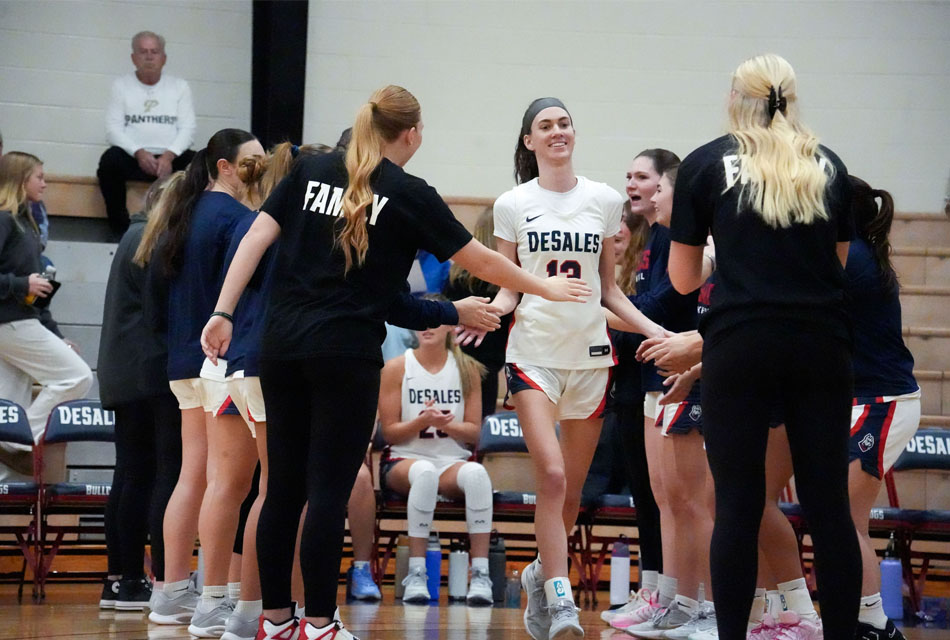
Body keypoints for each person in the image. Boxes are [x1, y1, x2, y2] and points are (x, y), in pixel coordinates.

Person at [201, 85, 590, 640]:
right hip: (345, 356)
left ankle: (277, 620)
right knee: (328, 491)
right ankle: (318, 623)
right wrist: (541, 287)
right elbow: (477, 258)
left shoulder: (310, 169)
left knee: (283, 488)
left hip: (280, 349)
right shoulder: (408, 193)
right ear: (411, 133)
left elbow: (256, 237)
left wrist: (222, 311)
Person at [667, 53, 860, 640]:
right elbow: (838, 266)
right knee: (829, 508)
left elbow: (681, 280)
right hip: (821, 346)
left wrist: (735, 255)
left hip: (740, 345)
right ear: (791, 98)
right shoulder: (830, 166)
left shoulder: (703, 165)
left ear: (736, 97)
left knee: (738, 505)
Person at [483, 97, 664, 640]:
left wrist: (658, 333)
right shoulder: (512, 204)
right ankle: (562, 602)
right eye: (545, 125)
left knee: (573, 491)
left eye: (564, 123)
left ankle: (542, 569)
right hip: (533, 355)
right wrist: (481, 311)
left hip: (591, 359)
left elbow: (610, 291)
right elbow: (508, 287)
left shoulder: (605, 201)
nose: (557, 131)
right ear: (529, 141)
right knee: (554, 476)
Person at [145, 130, 265, 637]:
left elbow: (155, 299)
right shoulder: (241, 221)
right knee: (230, 482)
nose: (261, 170)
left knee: (193, 475)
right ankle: (227, 596)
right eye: (253, 162)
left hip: (181, 359)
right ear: (225, 166)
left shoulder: (179, 214)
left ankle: (172, 592)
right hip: (219, 360)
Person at [98, 175, 183, 611]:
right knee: (151, 477)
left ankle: (120, 580)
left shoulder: (134, 232)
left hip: (121, 369)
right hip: (145, 371)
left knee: (129, 476)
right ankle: (146, 580)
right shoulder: (153, 238)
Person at [378, 306, 495, 605]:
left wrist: (447, 424)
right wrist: (421, 421)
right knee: (425, 473)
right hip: (403, 460)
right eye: (421, 321)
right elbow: (389, 433)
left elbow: (473, 433)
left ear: (450, 328)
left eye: (435, 322)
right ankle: (417, 574)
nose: (427, 327)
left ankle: (481, 575)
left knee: (478, 475)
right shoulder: (396, 368)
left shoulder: (468, 369)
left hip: (451, 462)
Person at [0, 151, 93, 482]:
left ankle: (9, 443)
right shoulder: (4, 220)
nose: (45, 182)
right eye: (39, 176)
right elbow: (25, 288)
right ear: (20, 179)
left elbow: (41, 298)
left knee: (7, 406)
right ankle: (16, 441)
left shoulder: (27, 223)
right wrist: (20, 283)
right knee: (77, 377)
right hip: (10, 323)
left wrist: (56, 336)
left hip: (20, 321)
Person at [97, 30, 196, 238]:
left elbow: (188, 129)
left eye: (154, 52)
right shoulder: (121, 85)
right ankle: (121, 231)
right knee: (109, 161)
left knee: (197, 164)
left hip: (170, 159)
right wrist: (139, 153)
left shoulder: (179, 87)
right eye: (143, 52)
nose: (149, 57)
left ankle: (183, 229)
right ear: (133, 58)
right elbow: (113, 129)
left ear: (164, 58)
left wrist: (169, 156)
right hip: (135, 158)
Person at [444, 206, 512, 418]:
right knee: (479, 423)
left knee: (454, 418)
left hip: (456, 357)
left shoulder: (458, 273)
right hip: (487, 363)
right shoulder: (507, 278)